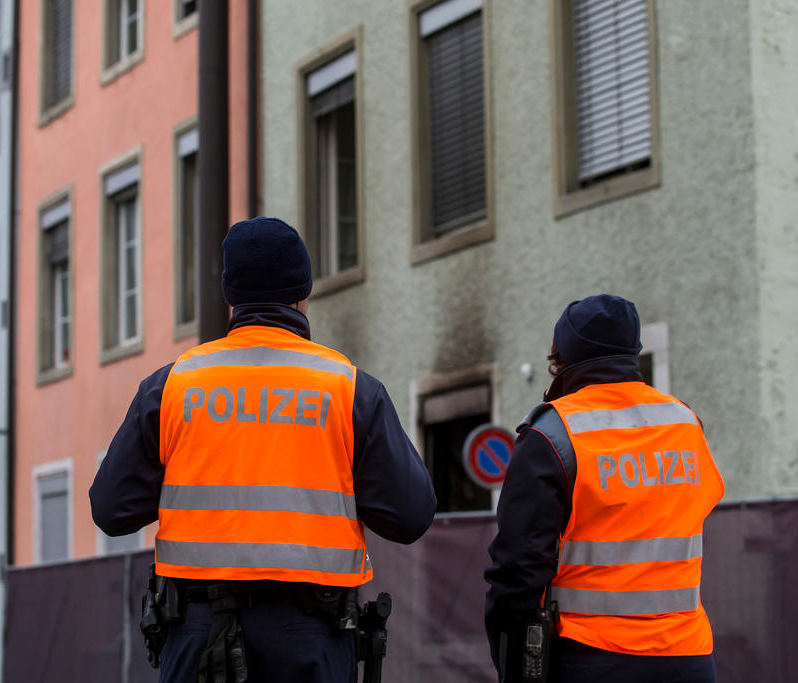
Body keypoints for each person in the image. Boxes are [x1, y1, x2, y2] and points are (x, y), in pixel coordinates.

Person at [90, 217, 436, 683]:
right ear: (303, 292)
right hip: (312, 635)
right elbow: (410, 515)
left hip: (197, 634)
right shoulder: (349, 389)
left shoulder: (171, 386)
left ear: (229, 295)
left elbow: (111, 510)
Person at [484, 294, 724, 683]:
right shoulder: (685, 423)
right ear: (633, 351)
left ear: (559, 359)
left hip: (590, 658)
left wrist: (512, 661)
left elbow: (517, 571)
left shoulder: (552, 435)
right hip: (688, 658)